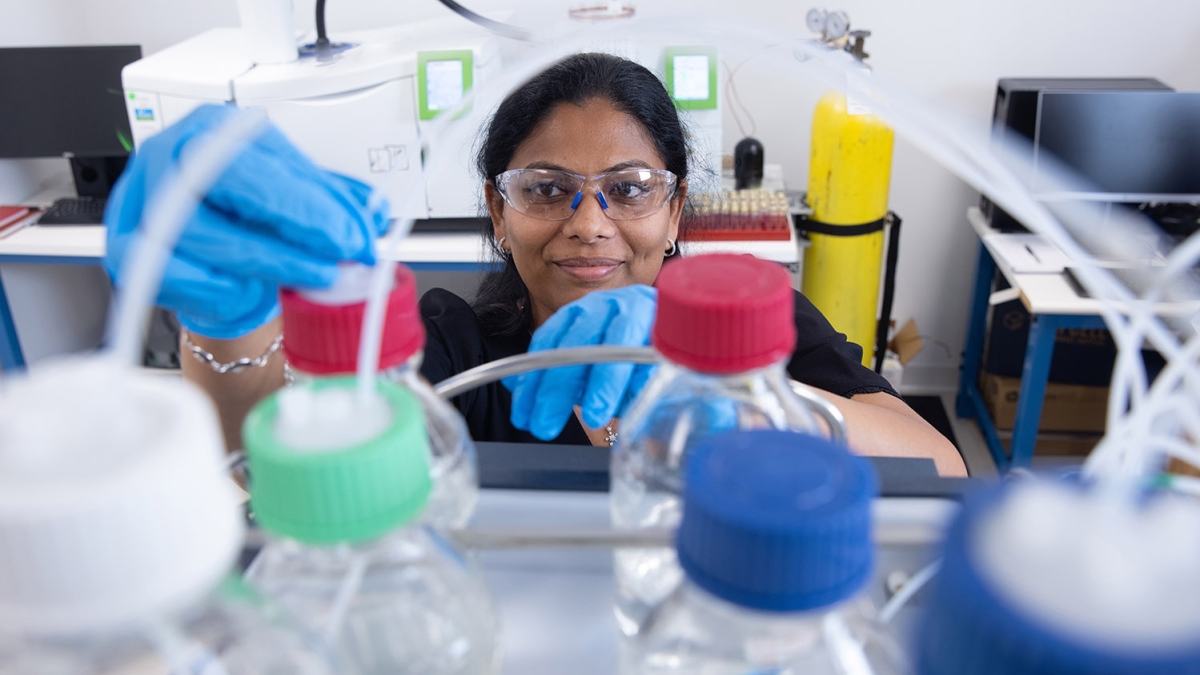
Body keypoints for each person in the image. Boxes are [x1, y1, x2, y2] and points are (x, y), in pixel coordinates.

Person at [104, 52, 967, 477]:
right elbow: (255, 459)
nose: (590, 224)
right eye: (546, 187)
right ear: (498, 211)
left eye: (629, 189)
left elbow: (941, 466)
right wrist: (228, 317)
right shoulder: (460, 344)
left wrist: (735, 389)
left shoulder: (762, 328)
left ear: (674, 212)